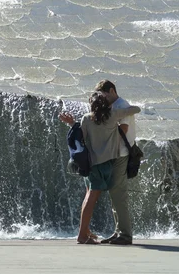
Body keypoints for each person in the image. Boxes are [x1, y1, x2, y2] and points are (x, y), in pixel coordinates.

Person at [59, 92, 140, 244]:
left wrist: (71, 123)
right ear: (105, 105)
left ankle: (85, 231)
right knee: (91, 198)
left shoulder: (87, 119)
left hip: (90, 164)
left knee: (88, 197)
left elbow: (80, 136)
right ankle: (82, 235)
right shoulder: (112, 116)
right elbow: (135, 110)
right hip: (104, 165)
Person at [94, 79, 136, 245]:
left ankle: (125, 235)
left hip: (121, 154)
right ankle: (118, 232)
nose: (102, 98)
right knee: (114, 194)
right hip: (115, 154)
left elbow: (123, 130)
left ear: (111, 90)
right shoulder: (113, 106)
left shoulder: (121, 105)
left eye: (103, 94)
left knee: (119, 195)